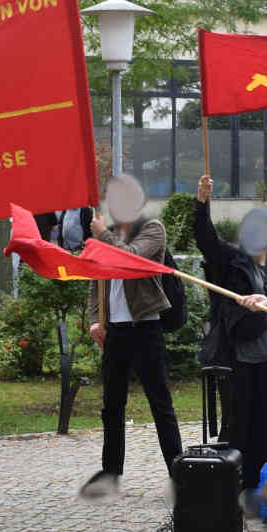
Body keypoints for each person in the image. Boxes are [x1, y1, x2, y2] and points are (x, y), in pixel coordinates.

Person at [196, 176, 267, 513]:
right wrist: (202, 203)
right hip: (240, 356)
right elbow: (206, 240)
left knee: (263, 422)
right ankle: (234, 486)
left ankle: (257, 486)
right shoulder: (232, 260)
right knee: (238, 422)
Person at [81, 203, 183, 499]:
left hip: (145, 328)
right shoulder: (108, 235)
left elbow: (130, 258)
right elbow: (95, 281)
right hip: (116, 330)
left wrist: (102, 236)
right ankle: (110, 471)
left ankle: (178, 474)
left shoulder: (152, 230)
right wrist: (94, 321)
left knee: (160, 404)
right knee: (111, 404)